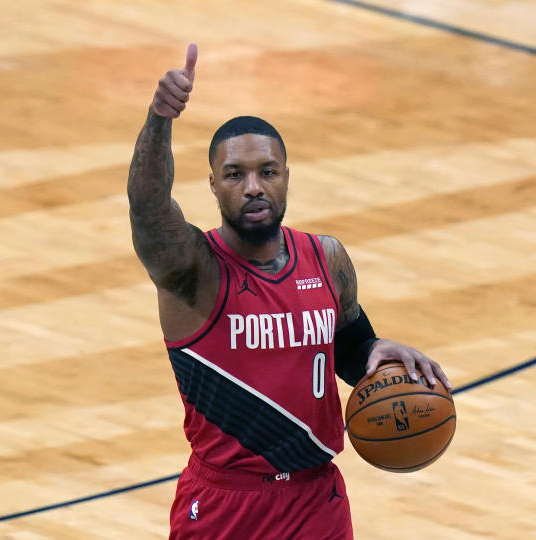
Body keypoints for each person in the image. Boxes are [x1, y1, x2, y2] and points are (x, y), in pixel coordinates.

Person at [127, 43, 452, 540]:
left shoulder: (327, 258)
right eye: (235, 175)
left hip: (315, 499)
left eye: (268, 172)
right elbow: (148, 207)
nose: (253, 187)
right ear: (213, 185)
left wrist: (373, 350)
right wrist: (160, 118)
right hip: (224, 505)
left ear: (286, 178)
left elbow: (347, 346)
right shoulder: (194, 270)